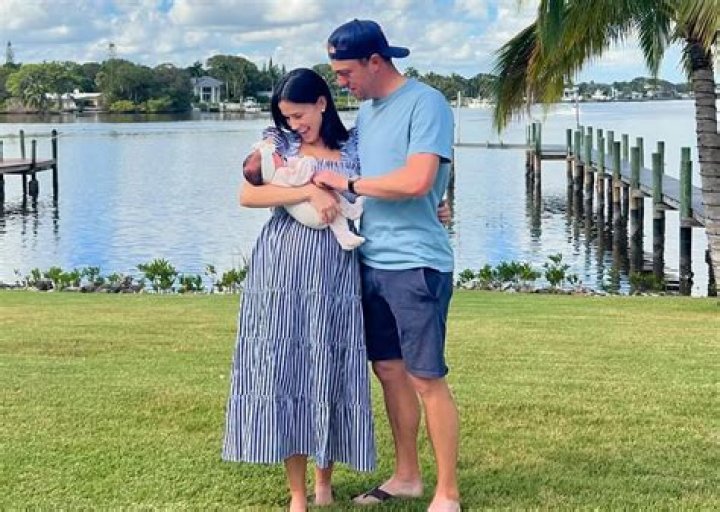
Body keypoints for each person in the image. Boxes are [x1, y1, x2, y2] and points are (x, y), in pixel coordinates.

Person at [314, 19, 460, 512]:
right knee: (389, 371)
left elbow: (417, 179)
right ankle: (407, 477)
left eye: (345, 72)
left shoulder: (426, 103)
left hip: (416, 263)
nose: (341, 82)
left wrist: (349, 186)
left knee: (426, 378)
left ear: (375, 61)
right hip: (370, 260)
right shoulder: (369, 112)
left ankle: (447, 492)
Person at [222, 67, 375, 512]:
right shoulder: (279, 144)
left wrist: (435, 205)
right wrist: (308, 191)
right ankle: (296, 492)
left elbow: (378, 191)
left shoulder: (354, 146)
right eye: (287, 117)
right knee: (287, 367)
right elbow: (248, 196)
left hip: (336, 271)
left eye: (299, 115)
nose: (294, 124)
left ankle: (325, 480)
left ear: (322, 103)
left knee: (330, 363)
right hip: (283, 269)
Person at [242, 139, 366, 250]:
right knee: (333, 207)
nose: (279, 154)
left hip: (334, 255)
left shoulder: (353, 141)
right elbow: (247, 196)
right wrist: (312, 191)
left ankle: (350, 220)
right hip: (291, 243)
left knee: (334, 201)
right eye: (274, 155)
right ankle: (347, 228)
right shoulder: (280, 171)